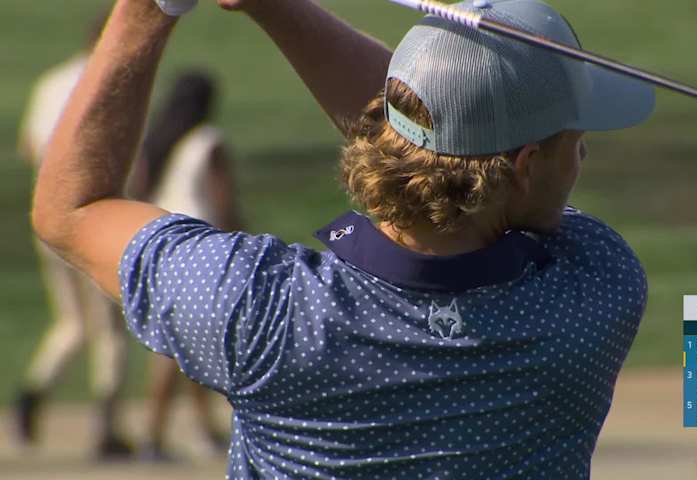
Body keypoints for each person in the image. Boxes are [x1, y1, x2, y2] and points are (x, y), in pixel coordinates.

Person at [32, 0, 654, 478]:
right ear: (523, 167)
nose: (583, 157)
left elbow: (73, 208)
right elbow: (418, 127)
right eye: (573, 144)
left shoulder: (260, 310)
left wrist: (151, 8)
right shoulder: (597, 284)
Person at [15, 11, 133, 459]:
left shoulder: (51, 81)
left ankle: (33, 393)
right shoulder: (111, 83)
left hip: (46, 214)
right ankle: (106, 423)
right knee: (111, 328)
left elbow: (30, 145)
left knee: (71, 322)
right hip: (98, 214)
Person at [128, 70, 238, 460]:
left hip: (164, 246)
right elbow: (224, 203)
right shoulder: (209, 142)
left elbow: (140, 190)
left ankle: (194, 428)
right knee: (183, 349)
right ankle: (156, 434)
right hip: (203, 251)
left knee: (179, 345)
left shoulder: (159, 141)